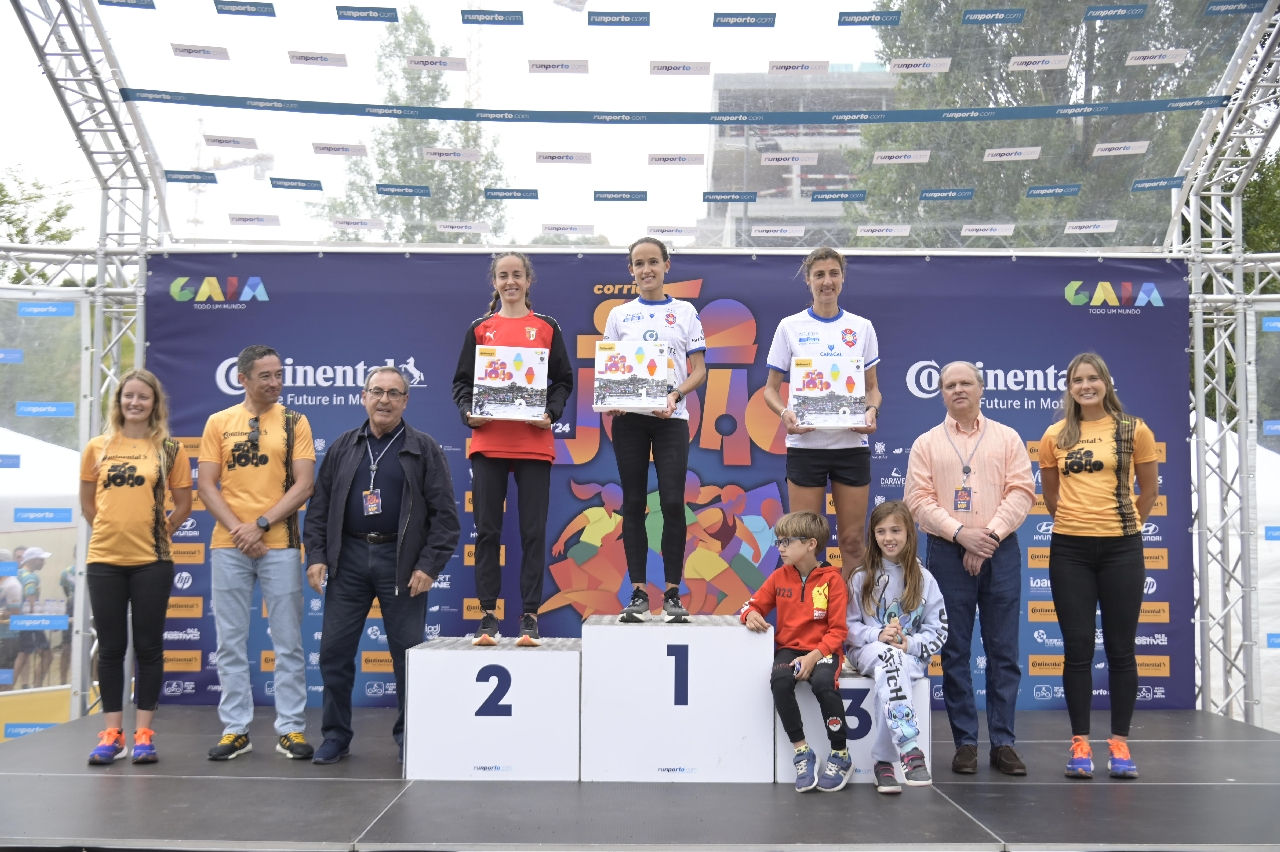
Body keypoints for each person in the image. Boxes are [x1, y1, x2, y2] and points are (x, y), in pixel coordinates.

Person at [305, 365, 460, 764]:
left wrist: (428, 566)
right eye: (377, 391)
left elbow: (445, 518)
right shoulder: (343, 446)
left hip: (402, 563)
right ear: (363, 397)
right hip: (349, 559)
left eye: (393, 393)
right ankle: (335, 736)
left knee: (407, 655)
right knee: (334, 652)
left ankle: (409, 735)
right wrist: (317, 556)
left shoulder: (423, 448)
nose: (384, 400)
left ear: (405, 401)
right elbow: (320, 508)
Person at [904, 361, 1034, 776]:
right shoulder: (926, 443)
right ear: (941, 393)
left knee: (1003, 651)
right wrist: (962, 535)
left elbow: (1021, 491)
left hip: (1001, 550)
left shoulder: (1007, 437)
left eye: (965, 383)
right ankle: (964, 743)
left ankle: (1003, 743)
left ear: (980, 389)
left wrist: (987, 537)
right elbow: (918, 500)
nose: (957, 389)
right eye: (949, 385)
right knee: (954, 650)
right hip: (947, 552)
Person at [1039, 352, 1159, 780]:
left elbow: (1149, 491)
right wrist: (1078, 524)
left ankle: (1120, 744)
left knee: (1121, 650)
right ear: (1069, 388)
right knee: (1077, 651)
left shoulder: (1133, 429)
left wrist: (1121, 526)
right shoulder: (1055, 435)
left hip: (1122, 549)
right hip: (1069, 550)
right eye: (1077, 380)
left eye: (1093, 378)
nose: (1085, 386)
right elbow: (1051, 496)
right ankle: (1080, 744)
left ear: (1106, 383)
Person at [198, 344, 315, 761]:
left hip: (280, 544)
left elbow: (304, 485)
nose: (275, 382)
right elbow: (206, 485)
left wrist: (260, 525)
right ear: (243, 378)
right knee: (230, 642)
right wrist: (240, 530)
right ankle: (236, 729)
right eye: (265, 375)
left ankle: (291, 729)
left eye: (279, 374)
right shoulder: (218, 422)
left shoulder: (295, 421)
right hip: (229, 545)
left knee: (288, 642)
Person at [451, 252, 572, 646]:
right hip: (489, 443)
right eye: (503, 275)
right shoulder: (480, 329)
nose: (510, 282)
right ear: (495, 282)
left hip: (534, 444)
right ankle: (488, 616)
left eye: (517, 275)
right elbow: (462, 384)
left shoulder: (547, 327)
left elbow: (562, 381)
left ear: (528, 280)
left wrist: (550, 413)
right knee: (487, 531)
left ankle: (530, 617)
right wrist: (469, 414)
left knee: (533, 532)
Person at [79, 369, 192, 764]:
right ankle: (113, 734)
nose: (135, 402)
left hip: (152, 563)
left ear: (154, 403)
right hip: (104, 560)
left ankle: (144, 734)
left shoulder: (170, 449)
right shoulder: (97, 447)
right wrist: (112, 531)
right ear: (119, 401)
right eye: (129, 396)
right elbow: (88, 504)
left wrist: (162, 531)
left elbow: (184, 505)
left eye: (143, 397)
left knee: (148, 647)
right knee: (111, 649)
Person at [603, 237, 707, 623]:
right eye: (639, 263)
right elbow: (610, 370)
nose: (646, 269)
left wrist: (676, 394)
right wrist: (612, 395)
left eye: (653, 262)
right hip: (629, 419)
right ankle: (638, 594)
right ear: (630, 270)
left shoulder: (685, 312)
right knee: (632, 503)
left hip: (670, 419)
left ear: (666, 265)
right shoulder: (619, 315)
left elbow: (699, 370)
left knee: (673, 503)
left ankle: (673, 593)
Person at [762, 247, 881, 581]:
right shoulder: (790, 327)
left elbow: (873, 388)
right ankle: (806, 613)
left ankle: (851, 613)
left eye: (833, 274)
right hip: (806, 448)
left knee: (852, 542)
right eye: (819, 275)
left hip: (851, 447)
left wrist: (871, 410)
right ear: (808, 280)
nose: (827, 281)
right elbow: (770, 390)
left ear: (842, 278)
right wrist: (785, 413)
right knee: (803, 544)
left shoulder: (862, 328)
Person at [739, 511, 852, 793]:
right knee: (779, 681)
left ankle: (840, 754)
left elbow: (838, 631)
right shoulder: (779, 576)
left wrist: (814, 656)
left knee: (824, 683)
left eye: (787, 541)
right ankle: (802, 752)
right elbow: (751, 605)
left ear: (811, 544)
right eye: (778, 541)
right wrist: (750, 614)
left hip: (823, 649)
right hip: (789, 649)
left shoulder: (833, 580)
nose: (780, 547)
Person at [846, 500, 948, 794]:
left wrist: (909, 643)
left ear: (909, 533)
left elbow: (938, 631)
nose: (888, 537)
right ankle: (908, 747)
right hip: (867, 651)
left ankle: (883, 763)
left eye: (895, 530)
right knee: (889, 658)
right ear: (873, 535)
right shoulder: (861, 576)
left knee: (892, 668)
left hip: (908, 656)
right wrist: (877, 634)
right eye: (881, 531)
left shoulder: (925, 579)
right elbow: (848, 628)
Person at [13, 547, 53, 689]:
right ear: (33, 560)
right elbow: (31, 600)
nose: (44, 563)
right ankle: (37, 687)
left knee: (23, 655)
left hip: (20, 621)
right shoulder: (31, 577)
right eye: (41, 559)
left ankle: (8, 689)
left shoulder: (18, 573)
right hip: (30, 622)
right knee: (45, 655)